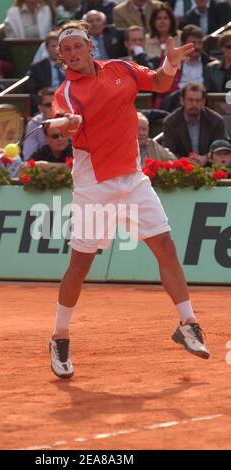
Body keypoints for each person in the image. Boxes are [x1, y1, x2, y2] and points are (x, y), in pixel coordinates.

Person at [48, 20, 210, 379]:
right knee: (81, 264)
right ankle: (60, 336)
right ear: (62, 56)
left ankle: (187, 323)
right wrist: (68, 123)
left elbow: (159, 83)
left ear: (91, 46)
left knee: (165, 246)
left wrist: (169, 64)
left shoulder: (121, 68)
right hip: (94, 184)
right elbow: (63, 122)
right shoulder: (67, 92)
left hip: (132, 178)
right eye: (66, 50)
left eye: (77, 46)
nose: (72, 53)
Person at [163, 82, 227, 163]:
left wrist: (206, 158)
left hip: (210, 167)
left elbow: (222, 147)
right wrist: (186, 161)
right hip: (181, 170)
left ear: (203, 102)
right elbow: (168, 153)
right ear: (182, 101)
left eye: (198, 100)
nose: (194, 104)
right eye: (190, 100)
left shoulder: (216, 120)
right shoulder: (170, 122)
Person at [145, 4, 181, 109]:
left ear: (171, 20)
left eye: (165, 18)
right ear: (153, 21)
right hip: (153, 80)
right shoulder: (146, 39)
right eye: (158, 18)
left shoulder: (180, 36)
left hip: (175, 80)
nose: (162, 21)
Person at [27, 32, 65, 111]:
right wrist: (42, 104)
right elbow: (32, 92)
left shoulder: (72, 65)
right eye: (53, 46)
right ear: (47, 48)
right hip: (48, 105)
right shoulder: (37, 68)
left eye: (58, 46)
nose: (56, 49)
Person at [23, 87, 55, 161]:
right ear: (40, 108)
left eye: (55, 104)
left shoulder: (68, 120)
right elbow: (28, 158)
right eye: (48, 105)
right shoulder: (33, 125)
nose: (53, 108)